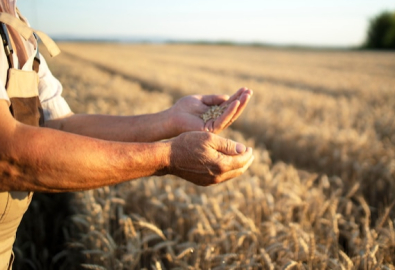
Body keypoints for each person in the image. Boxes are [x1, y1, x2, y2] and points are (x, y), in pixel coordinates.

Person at [0, 1, 254, 269]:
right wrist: (168, 157)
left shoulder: (15, 20)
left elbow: (58, 124)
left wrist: (168, 120)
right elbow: (6, 153)